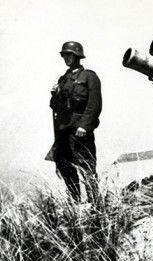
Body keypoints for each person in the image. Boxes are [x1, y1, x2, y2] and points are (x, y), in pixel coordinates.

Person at [46, 41, 102, 202]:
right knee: (65, 166)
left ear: (77, 56)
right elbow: (55, 106)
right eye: (64, 55)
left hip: (79, 130)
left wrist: (85, 126)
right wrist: (54, 95)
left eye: (69, 55)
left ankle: (95, 202)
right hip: (63, 130)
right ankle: (75, 201)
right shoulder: (63, 80)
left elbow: (94, 104)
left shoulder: (89, 76)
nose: (66, 58)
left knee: (86, 166)